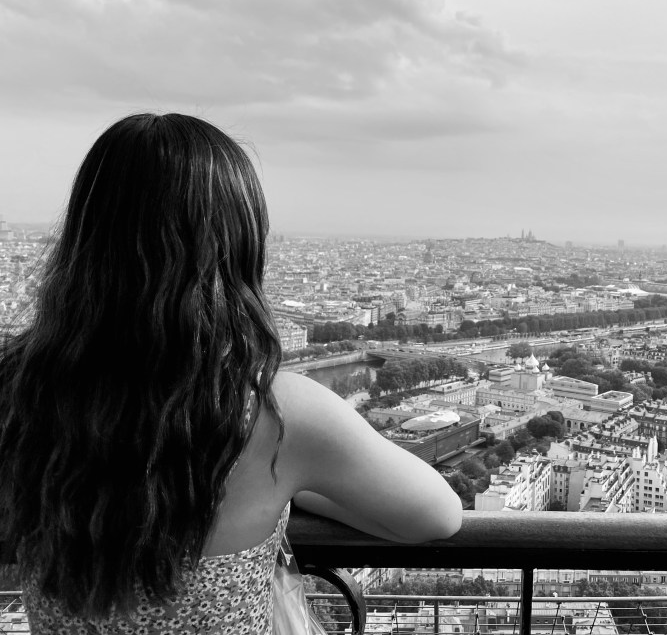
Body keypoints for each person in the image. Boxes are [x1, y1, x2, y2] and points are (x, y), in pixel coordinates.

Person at [0, 113, 463, 633]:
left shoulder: (16, 392)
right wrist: (294, 480)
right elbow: (438, 515)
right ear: (238, 245)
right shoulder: (275, 415)